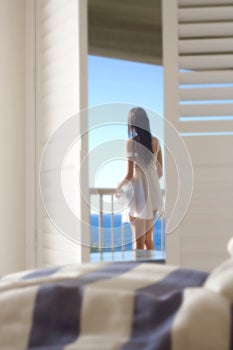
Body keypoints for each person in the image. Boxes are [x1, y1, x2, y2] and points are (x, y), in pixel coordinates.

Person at [116, 107, 163, 251]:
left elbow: (129, 175)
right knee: (148, 239)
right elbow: (160, 172)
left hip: (138, 195)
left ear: (132, 124)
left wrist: (118, 188)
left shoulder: (131, 142)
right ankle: (153, 272)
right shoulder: (156, 142)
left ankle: (139, 270)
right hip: (154, 193)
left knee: (138, 242)